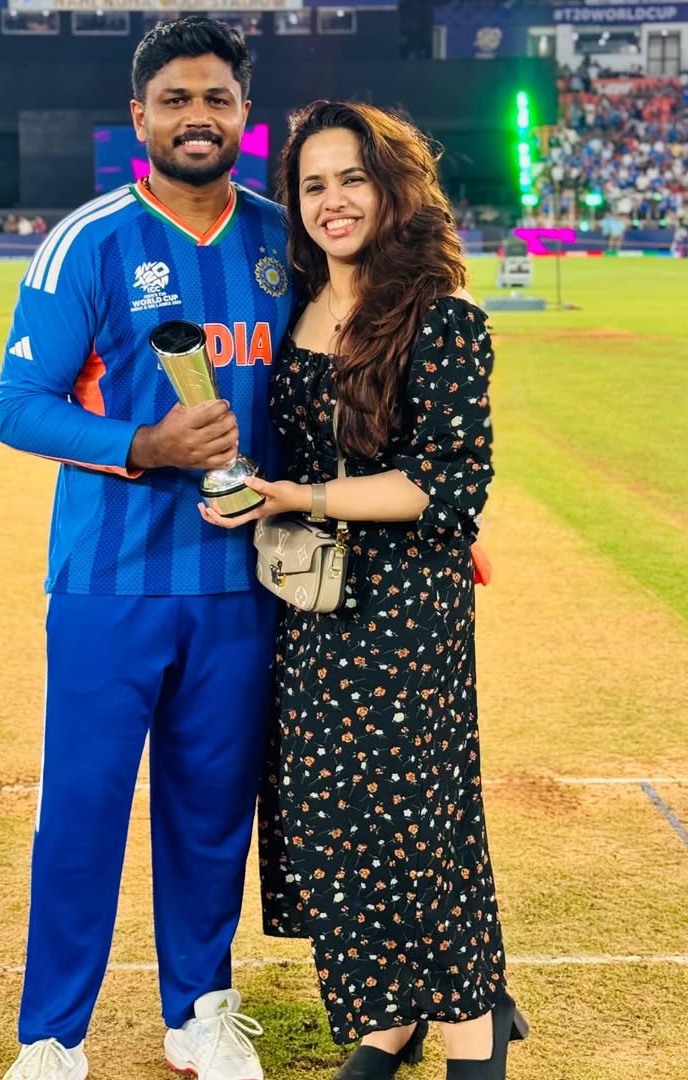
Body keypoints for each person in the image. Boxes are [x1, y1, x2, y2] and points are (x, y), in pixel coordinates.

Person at [200, 101, 527, 1080]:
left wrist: (299, 494)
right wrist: (247, 488)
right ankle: (388, 1019)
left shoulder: (442, 317)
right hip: (310, 604)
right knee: (333, 820)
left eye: (352, 178)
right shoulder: (297, 307)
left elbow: (446, 484)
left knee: (418, 823)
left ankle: (474, 1031)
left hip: (405, 611)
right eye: (313, 185)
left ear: (392, 188)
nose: (332, 200)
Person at [0, 17, 295, 1080]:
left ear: (244, 115)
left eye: (216, 98)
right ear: (140, 117)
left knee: (211, 813)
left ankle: (200, 1011)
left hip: (240, 583)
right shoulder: (89, 241)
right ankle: (52, 1037)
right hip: (108, 581)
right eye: (175, 100)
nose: (196, 117)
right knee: (81, 809)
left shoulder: (284, 241)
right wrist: (145, 445)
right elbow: (20, 406)